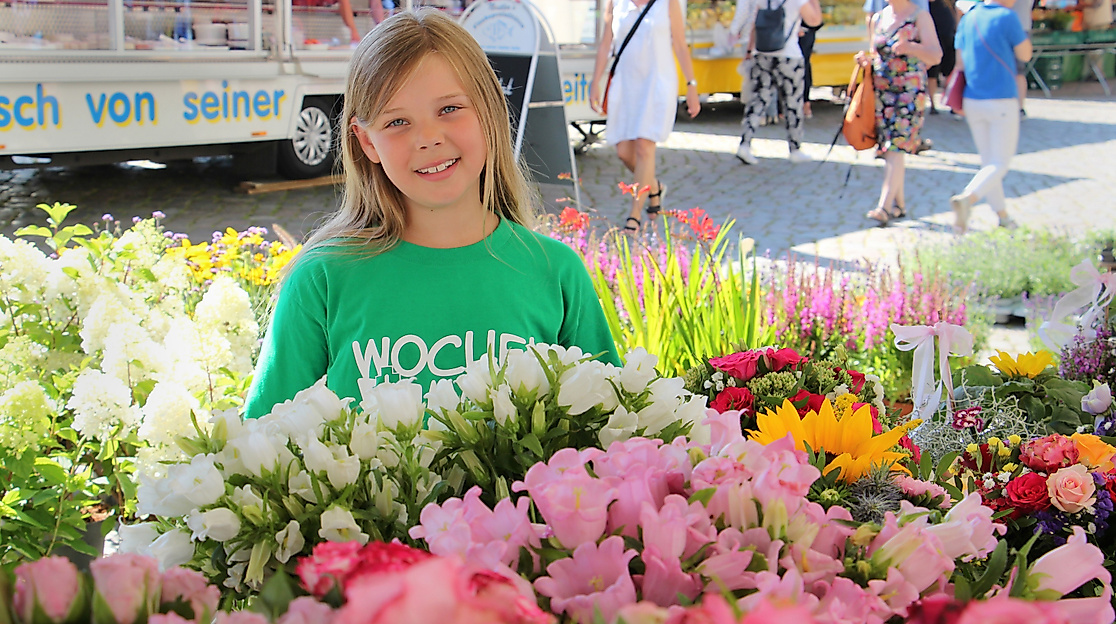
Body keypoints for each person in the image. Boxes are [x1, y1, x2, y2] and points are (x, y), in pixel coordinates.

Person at [245, 10, 621, 419]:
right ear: (366, 142)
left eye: (449, 109)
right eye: (397, 121)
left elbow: (612, 433)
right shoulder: (323, 279)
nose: (427, 138)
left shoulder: (555, 272)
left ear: (490, 110)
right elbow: (263, 435)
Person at [589, 0, 701, 234]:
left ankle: (635, 214)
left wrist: (691, 85)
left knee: (644, 147)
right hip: (625, 84)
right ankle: (654, 186)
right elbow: (606, 44)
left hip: (657, 83)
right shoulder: (615, 3)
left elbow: (680, 45)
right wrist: (595, 81)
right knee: (623, 152)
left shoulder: (668, 3)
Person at [857, 0, 942, 226]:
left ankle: (884, 207)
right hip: (882, 93)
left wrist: (911, 47)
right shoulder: (878, 18)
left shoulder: (919, 16)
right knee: (891, 148)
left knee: (895, 146)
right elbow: (876, 54)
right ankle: (899, 205)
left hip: (908, 93)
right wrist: (866, 61)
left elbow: (936, 56)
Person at [950, 0, 1032, 233]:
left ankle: (1002, 216)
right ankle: (968, 199)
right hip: (1001, 97)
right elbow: (1025, 54)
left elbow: (960, 62)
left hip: (972, 98)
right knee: (999, 163)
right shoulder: (1007, 17)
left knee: (989, 164)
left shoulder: (968, 18)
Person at [732, 0, 824, 166]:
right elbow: (814, 21)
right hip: (789, 55)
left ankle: (745, 143)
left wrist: (750, 50)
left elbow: (755, 24)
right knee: (793, 102)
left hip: (762, 52)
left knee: (758, 100)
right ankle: (795, 148)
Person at [926, 0, 958, 113]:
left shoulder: (948, 2)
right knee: (933, 73)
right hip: (934, 36)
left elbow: (955, 11)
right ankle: (933, 105)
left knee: (949, 71)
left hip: (949, 35)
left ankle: (951, 102)